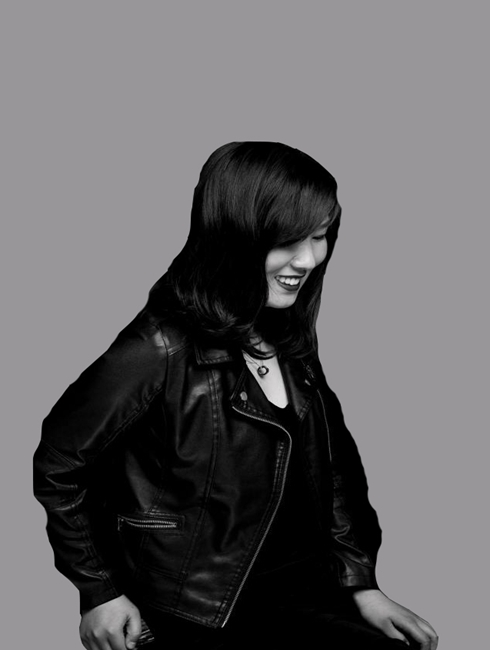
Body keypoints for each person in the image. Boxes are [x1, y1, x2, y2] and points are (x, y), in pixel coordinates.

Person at [33, 142, 438, 650]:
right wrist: (100, 592)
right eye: (287, 241)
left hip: (302, 592)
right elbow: (60, 464)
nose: (308, 260)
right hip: (197, 608)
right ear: (235, 237)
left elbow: (332, 468)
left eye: (319, 237)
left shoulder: (285, 336)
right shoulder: (157, 348)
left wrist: (361, 584)